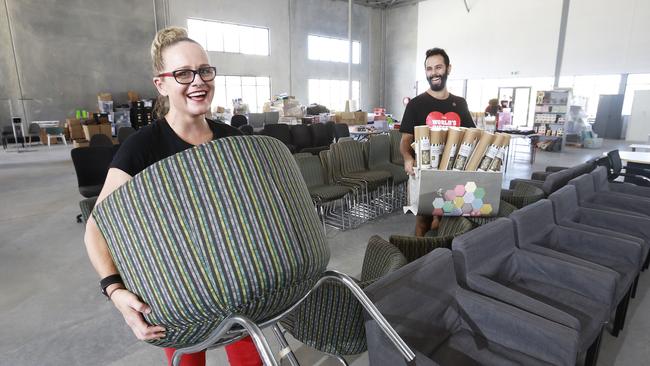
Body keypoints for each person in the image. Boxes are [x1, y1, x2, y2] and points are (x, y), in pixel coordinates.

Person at [84, 27, 262, 366]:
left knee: (251, 360)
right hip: (178, 288)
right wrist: (115, 290)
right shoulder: (142, 147)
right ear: (161, 84)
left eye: (205, 70)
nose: (198, 81)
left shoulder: (232, 140)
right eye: (183, 73)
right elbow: (96, 227)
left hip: (239, 284)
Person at [399, 47, 475, 237]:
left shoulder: (460, 103)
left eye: (438, 67)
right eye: (429, 69)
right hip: (425, 173)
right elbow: (405, 139)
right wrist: (408, 158)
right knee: (423, 220)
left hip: (453, 173)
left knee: (447, 220)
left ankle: (441, 258)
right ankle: (418, 259)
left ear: (448, 69)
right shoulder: (416, 104)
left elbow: (472, 135)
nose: (434, 73)